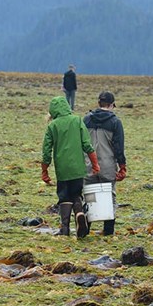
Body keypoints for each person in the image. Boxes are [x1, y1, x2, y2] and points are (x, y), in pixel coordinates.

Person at [42, 96, 100, 238]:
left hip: (62, 168)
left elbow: (46, 151)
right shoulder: (77, 120)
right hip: (78, 167)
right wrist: (95, 164)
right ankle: (79, 214)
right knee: (76, 194)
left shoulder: (52, 125)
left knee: (64, 196)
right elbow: (87, 145)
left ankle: (65, 228)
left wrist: (44, 171)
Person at [83, 91, 127, 236]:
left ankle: (85, 228)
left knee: (89, 196)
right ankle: (108, 231)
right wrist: (122, 166)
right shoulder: (115, 122)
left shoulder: (86, 119)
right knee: (109, 197)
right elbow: (118, 147)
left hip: (88, 164)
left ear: (98, 103)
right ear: (112, 105)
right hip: (107, 165)